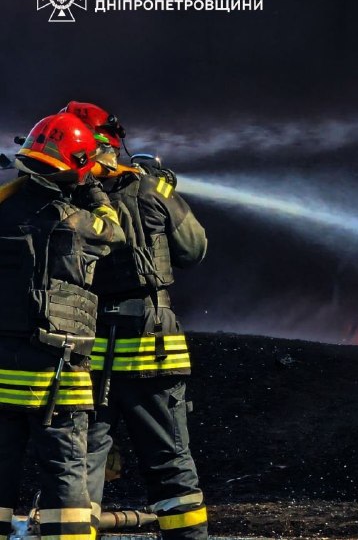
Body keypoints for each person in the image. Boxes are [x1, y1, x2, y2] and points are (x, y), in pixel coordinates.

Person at [63, 102, 209, 540]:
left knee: (83, 467)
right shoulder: (150, 192)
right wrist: (163, 192)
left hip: (86, 352)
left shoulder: (66, 198)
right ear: (111, 143)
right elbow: (193, 250)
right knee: (170, 466)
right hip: (151, 349)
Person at [0, 112, 124, 540]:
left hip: (2, 369)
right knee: (66, 472)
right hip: (57, 368)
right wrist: (94, 189)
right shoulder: (72, 221)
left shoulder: (5, 208)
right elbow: (114, 232)